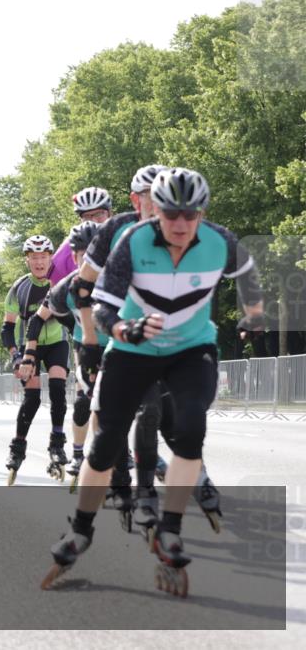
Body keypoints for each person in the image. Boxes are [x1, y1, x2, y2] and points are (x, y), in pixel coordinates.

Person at [42, 168, 264, 596]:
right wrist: (120, 331)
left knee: (191, 425)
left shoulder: (221, 241)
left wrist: (252, 314)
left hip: (190, 348)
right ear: (152, 210)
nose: (180, 224)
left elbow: (250, 276)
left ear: (202, 212)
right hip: (134, 346)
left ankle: (171, 530)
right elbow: (101, 305)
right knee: (107, 442)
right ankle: (81, 530)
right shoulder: (131, 241)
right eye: (170, 214)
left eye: (190, 214)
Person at [76, 164, 220, 535]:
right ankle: (123, 481)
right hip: (112, 335)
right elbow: (82, 288)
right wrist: (90, 341)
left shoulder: (180, 231)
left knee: (166, 411)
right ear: (135, 200)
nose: (155, 209)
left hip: (164, 341)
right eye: (144, 199)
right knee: (111, 416)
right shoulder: (115, 230)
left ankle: (178, 477)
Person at [20, 221, 102, 492]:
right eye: (80, 255)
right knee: (83, 403)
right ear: (73, 257)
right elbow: (36, 320)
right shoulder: (64, 287)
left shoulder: (119, 278)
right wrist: (28, 354)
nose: (87, 260)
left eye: (93, 253)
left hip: (119, 345)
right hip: (84, 346)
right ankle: (76, 453)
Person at [1, 235, 71, 485]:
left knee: (58, 389)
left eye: (44, 257)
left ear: (51, 257)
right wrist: (16, 356)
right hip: (28, 349)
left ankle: (57, 443)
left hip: (56, 343)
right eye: (34, 258)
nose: (40, 262)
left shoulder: (61, 283)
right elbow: (6, 329)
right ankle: (17, 447)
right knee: (32, 398)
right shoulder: (19, 288)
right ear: (27, 260)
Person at [47, 187, 113, 284]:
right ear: (80, 219)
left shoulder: (127, 238)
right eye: (87, 216)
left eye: (99, 214)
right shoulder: (66, 252)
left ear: (110, 214)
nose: (94, 221)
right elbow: (55, 288)